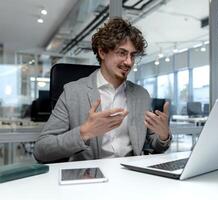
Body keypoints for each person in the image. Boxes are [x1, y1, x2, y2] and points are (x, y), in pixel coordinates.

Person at [33, 17, 171, 163]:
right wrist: (84, 132)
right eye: (122, 53)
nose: (129, 62)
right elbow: (41, 150)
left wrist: (163, 136)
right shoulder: (72, 92)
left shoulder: (141, 95)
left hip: (132, 176)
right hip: (90, 178)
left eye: (132, 55)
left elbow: (156, 146)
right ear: (102, 52)